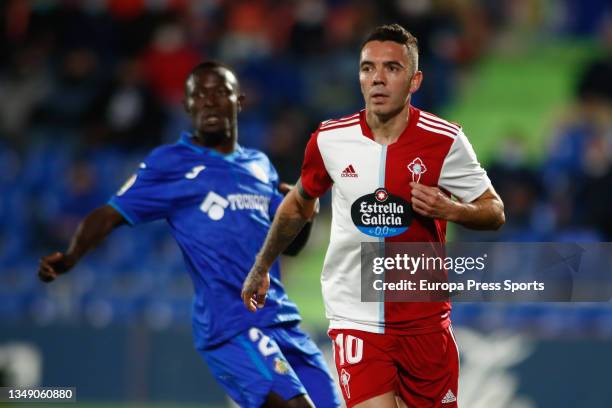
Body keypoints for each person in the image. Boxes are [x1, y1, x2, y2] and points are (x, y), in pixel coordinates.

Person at [38, 61, 340, 408]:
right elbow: (110, 214)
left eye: (219, 92)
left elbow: (293, 247)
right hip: (232, 325)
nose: (209, 101)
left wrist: (306, 213)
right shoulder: (171, 163)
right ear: (187, 106)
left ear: (238, 101)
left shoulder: (259, 165)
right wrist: (71, 256)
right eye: (200, 94)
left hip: (282, 319)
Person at [242, 24, 505, 408]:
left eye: (392, 69)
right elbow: (300, 203)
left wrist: (453, 209)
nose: (378, 78)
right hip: (357, 318)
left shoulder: (444, 140)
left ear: (414, 80)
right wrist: (262, 265)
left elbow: (494, 211)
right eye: (368, 68)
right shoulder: (330, 139)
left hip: (425, 322)